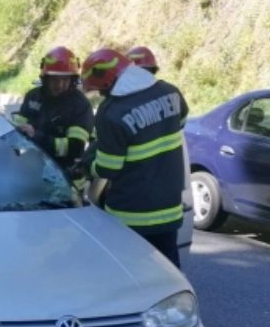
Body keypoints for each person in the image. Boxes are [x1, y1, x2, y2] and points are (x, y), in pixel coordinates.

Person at [79, 48, 188, 268]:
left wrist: (86, 166)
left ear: (107, 82)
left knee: (127, 276)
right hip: (169, 210)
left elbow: (108, 168)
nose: (102, 95)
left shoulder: (111, 112)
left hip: (130, 215)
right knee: (169, 274)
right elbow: (180, 122)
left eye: (100, 90)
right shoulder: (170, 92)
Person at [12, 46, 94, 171]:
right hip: (31, 166)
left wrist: (37, 137)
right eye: (54, 79)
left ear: (72, 79)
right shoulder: (33, 96)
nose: (59, 85)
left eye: (65, 79)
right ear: (45, 79)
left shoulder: (80, 105)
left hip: (63, 173)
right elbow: (15, 131)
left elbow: (75, 148)